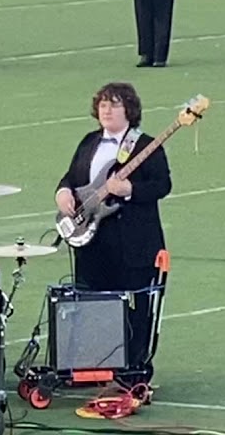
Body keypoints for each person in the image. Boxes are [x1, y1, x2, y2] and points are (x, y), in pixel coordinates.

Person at [54, 82, 171, 381]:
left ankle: (133, 370)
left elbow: (162, 185)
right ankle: (93, 366)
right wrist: (63, 193)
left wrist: (130, 189)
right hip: (92, 240)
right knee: (92, 303)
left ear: (129, 111)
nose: (106, 110)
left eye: (114, 104)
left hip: (132, 241)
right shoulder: (89, 142)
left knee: (134, 307)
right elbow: (71, 176)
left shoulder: (145, 145)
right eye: (103, 104)